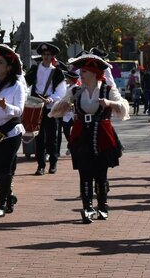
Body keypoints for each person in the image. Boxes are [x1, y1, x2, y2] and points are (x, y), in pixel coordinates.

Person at [50, 54, 128, 223]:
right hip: (81, 135)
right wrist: (62, 106)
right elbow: (56, 110)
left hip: (102, 135)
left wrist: (109, 103)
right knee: (84, 173)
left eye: (84, 71)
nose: (81, 75)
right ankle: (87, 207)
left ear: (94, 72)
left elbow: (123, 108)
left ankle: (102, 205)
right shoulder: (75, 91)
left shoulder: (108, 90)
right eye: (81, 71)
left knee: (100, 173)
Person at [0, 45, 29, 218]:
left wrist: (5, 106)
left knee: (4, 168)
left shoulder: (17, 85)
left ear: (9, 67)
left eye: (0, 63)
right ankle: (9, 197)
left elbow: (19, 110)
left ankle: (0, 205)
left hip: (10, 132)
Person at [24, 42, 66, 175]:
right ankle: (40, 165)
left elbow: (61, 91)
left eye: (48, 55)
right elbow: (24, 85)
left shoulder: (57, 72)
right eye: (44, 54)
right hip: (36, 106)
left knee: (52, 137)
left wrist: (51, 99)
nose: (46, 57)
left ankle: (53, 163)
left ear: (52, 56)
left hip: (50, 107)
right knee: (39, 137)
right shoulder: (35, 69)